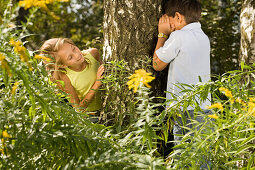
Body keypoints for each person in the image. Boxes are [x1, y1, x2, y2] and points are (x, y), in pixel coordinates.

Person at [152, 0, 211, 145]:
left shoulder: (178, 36)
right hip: (205, 107)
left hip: (185, 108)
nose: (169, 26)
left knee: (184, 154)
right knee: (202, 157)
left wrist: (162, 34)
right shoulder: (204, 37)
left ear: (178, 17)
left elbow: (157, 64)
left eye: (169, 21)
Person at [39, 38, 104, 113]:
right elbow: (79, 109)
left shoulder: (93, 54)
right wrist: (97, 84)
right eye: (70, 57)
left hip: (109, 105)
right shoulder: (65, 77)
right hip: (92, 115)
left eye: (73, 49)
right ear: (63, 65)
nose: (77, 55)